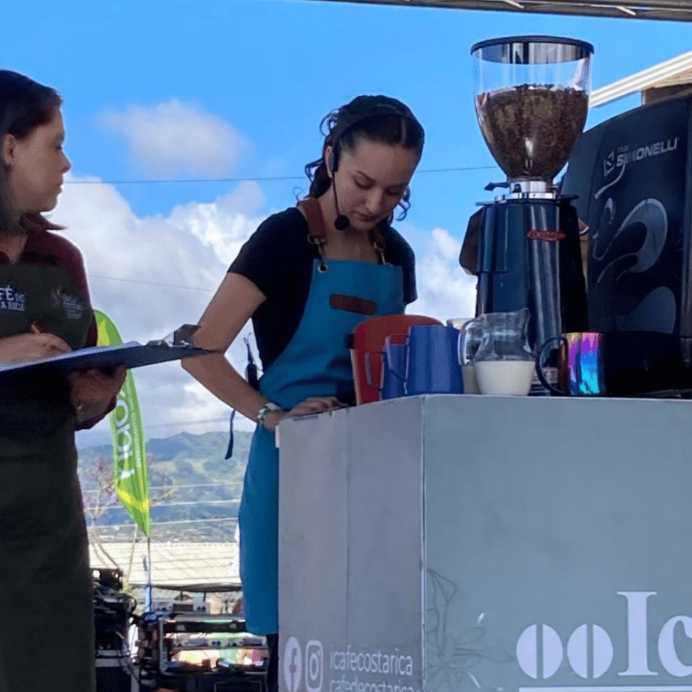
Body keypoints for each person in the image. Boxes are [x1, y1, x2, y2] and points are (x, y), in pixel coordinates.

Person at [182, 94, 425, 691]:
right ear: (330, 158)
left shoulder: (397, 254)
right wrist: (274, 417)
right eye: (363, 183)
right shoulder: (282, 239)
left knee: (378, 653)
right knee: (297, 656)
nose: (375, 205)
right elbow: (198, 352)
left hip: (371, 474)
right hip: (291, 471)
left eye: (394, 192)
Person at [0, 70, 126, 691]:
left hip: (48, 524)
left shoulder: (63, 259)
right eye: (55, 145)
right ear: (8, 147)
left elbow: (78, 391)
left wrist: (95, 399)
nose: (68, 163)